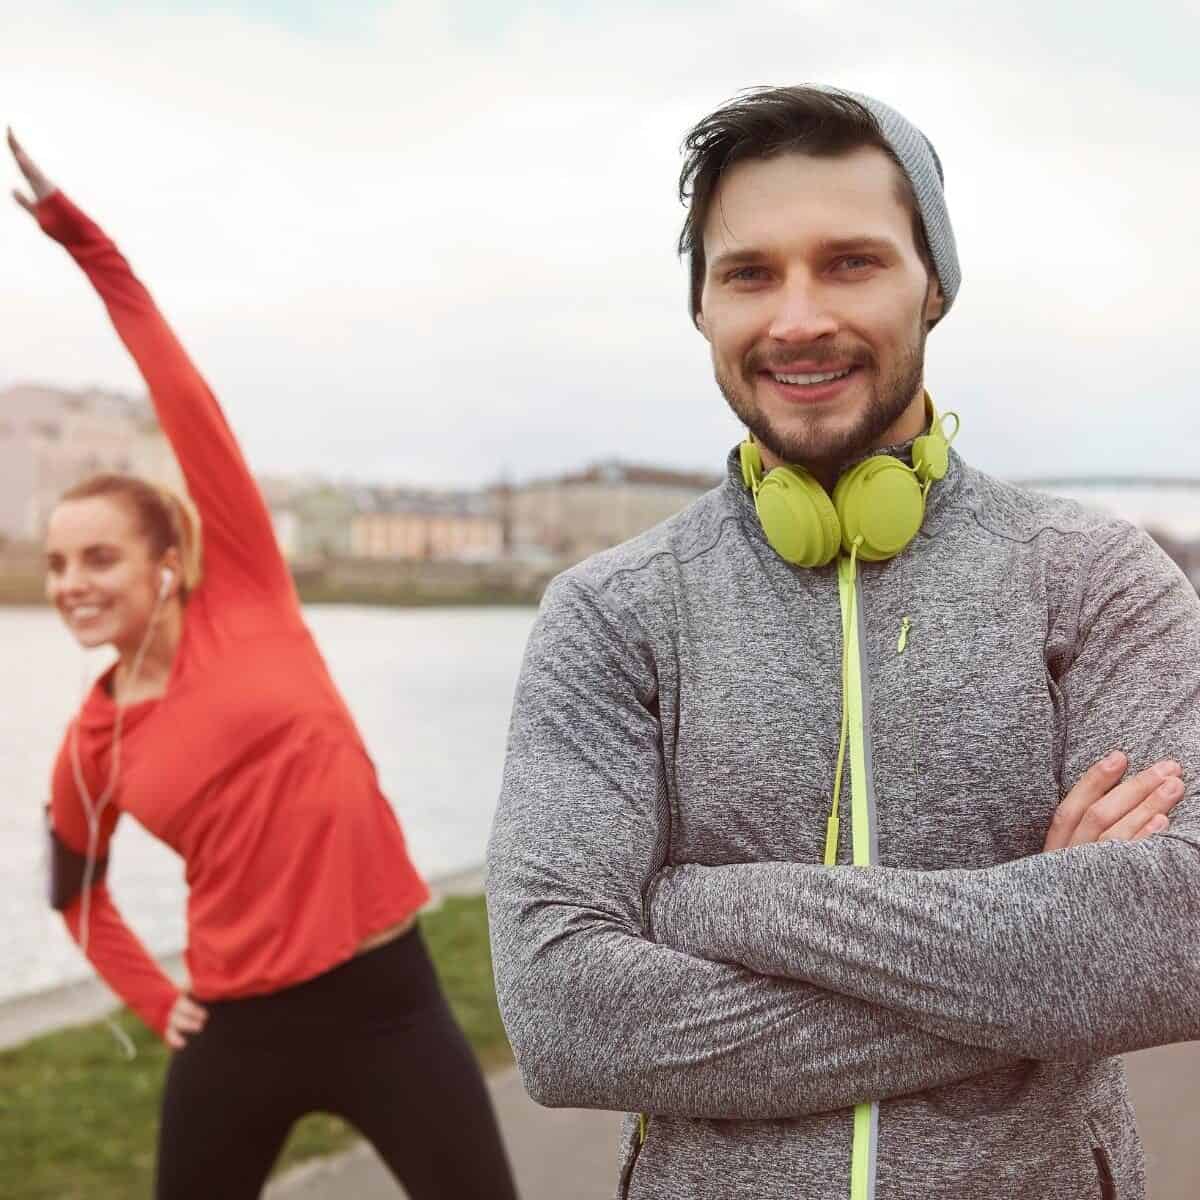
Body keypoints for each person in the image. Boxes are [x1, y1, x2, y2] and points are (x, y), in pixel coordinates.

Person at [485, 85, 1200, 1200]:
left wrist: (709, 905)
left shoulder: (1096, 577)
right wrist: (1042, 971)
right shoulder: (612, 613)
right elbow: (567, 1020)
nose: (797, 319)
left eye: (851, 263)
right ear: (702, 308)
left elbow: (1179, 940)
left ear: (935, 285)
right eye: (749, 274)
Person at [8, 129, 519, 1200]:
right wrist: (159, 1003)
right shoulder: (91, 747)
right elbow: (76, 898)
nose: (71, 583)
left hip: (390, 1000)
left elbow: (177, 388)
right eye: (56, 564)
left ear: (167, 562)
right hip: (237, 1028)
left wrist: (80, 238)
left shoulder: (244, 592)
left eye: (99, 557)